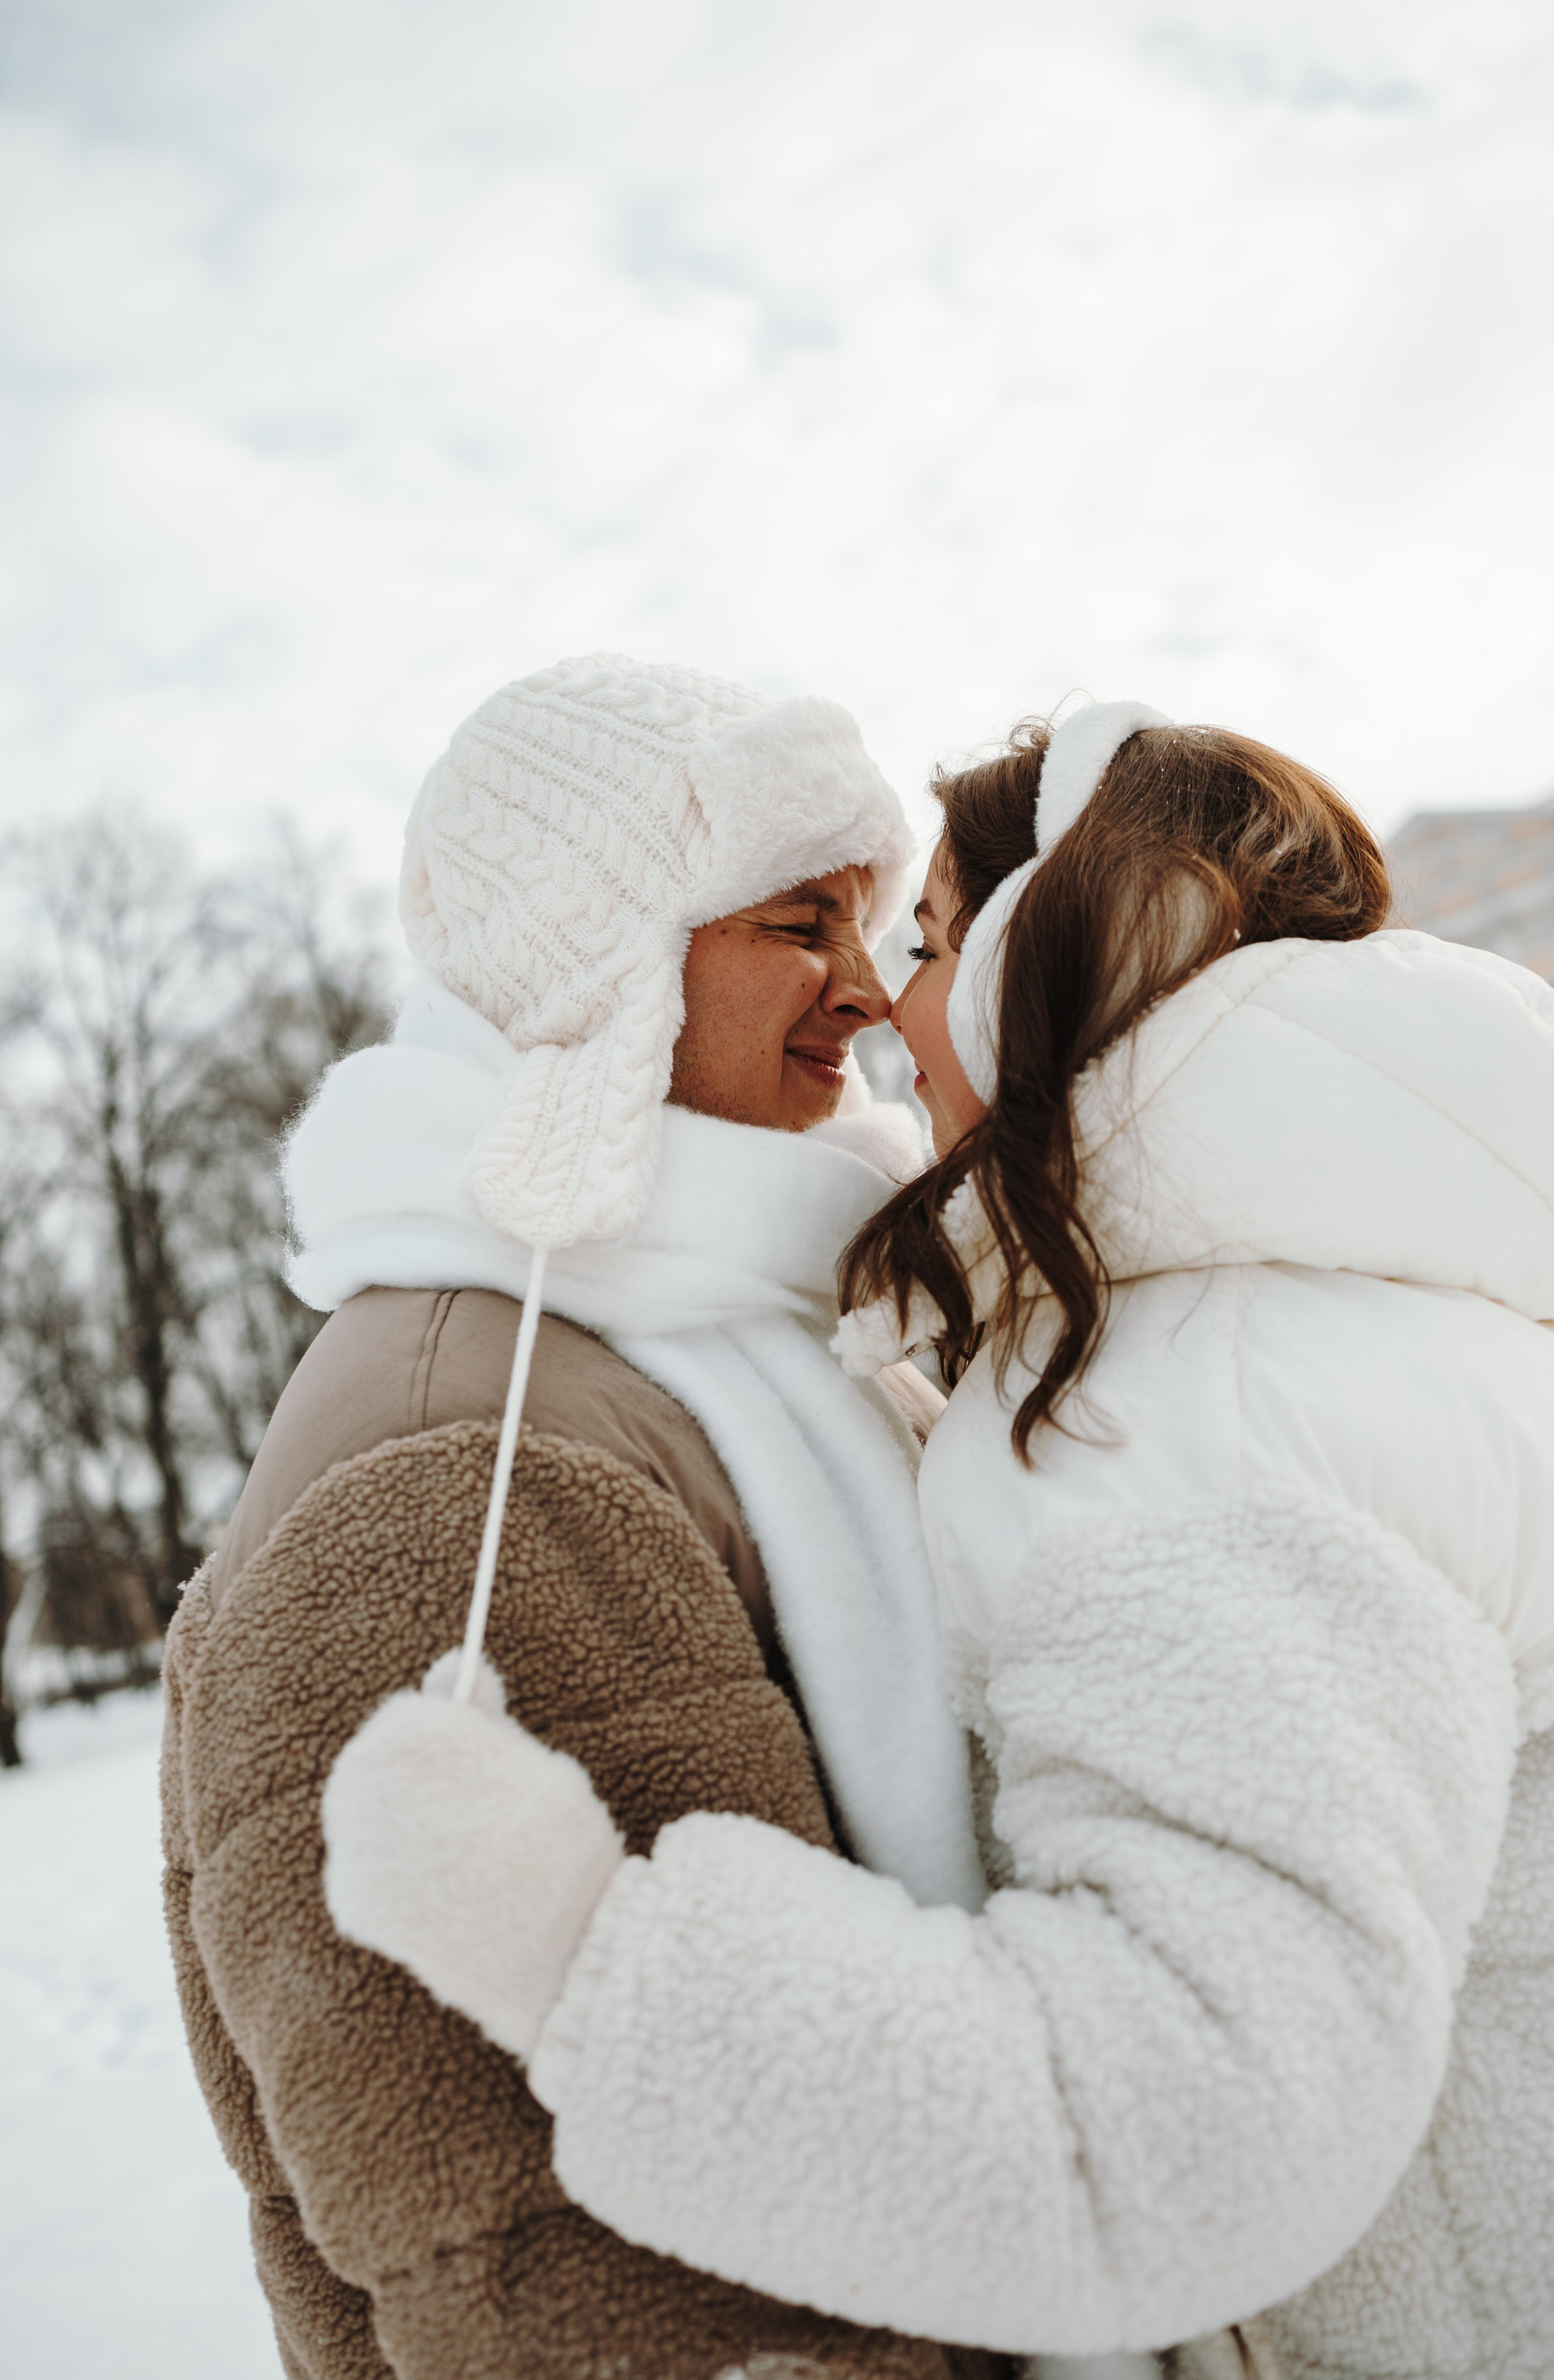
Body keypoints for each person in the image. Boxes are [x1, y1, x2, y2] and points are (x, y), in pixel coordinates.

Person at [324, 700, 1554, 2380]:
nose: (888, 1003)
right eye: (821, 929)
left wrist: (589, 1953)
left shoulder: (1206, 1404)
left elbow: (1192, 2117)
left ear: (1061, 951)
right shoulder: (1308, 1293)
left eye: (924, 941)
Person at [160, 652, 1002, 2380]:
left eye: (867, 924)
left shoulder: (756, 1328)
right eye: (799, 923)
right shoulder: (465, 1451)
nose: (865, 990)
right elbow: (561, 2261)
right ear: (597, 960)